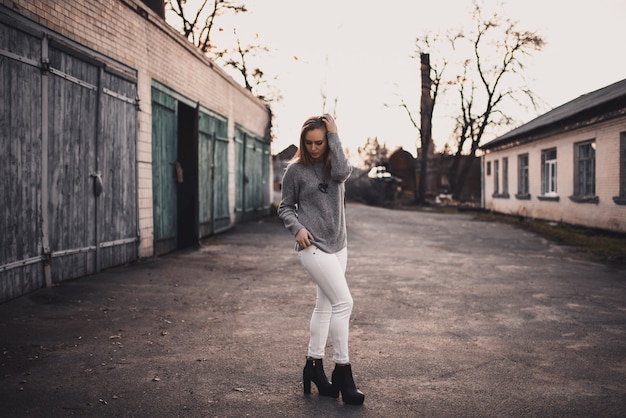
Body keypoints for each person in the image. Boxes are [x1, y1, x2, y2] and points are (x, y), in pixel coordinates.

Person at [278, 114, 365, 405]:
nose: (314, 148)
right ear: (302, 141)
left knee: (325, 306)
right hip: (312, 245)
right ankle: (343, 370)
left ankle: (313, 366)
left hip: (339, 244)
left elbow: (344, 171)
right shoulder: (295, 171)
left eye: (319, 142)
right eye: (309, 142)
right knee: (344, 303)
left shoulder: (334, 165)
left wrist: (335, 134)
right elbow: (285, 207)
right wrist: (297, 228)